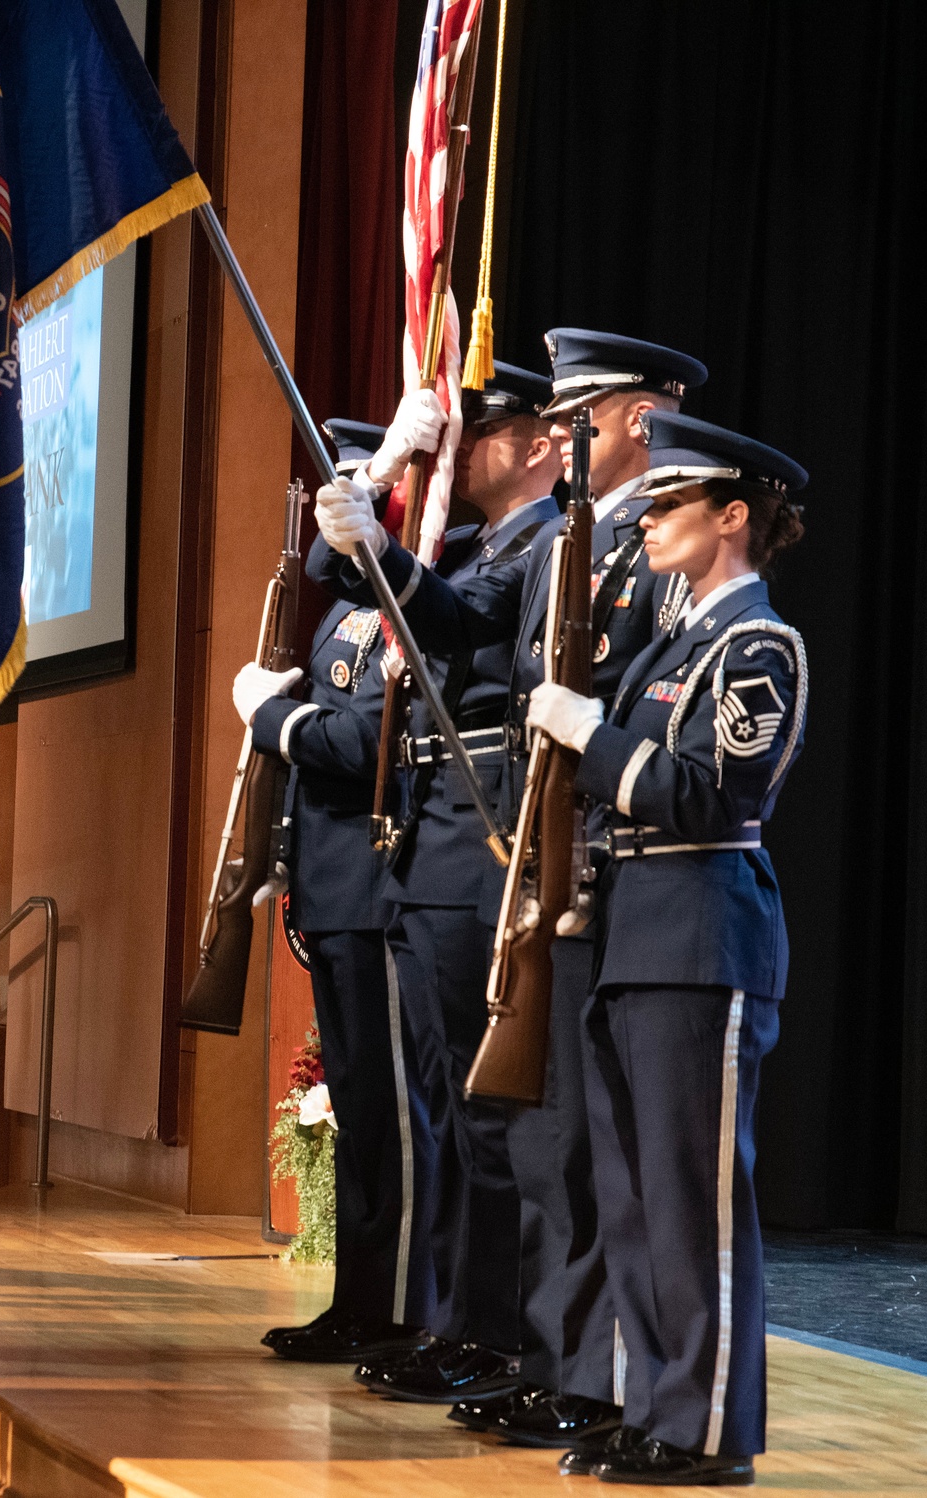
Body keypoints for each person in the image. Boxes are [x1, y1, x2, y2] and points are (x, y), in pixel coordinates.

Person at [312, 331, 709, 1448]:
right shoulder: (566, 543)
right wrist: (371, 551)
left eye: (585, 417)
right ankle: (544, 1355)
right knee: (534, 1141)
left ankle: (582, 1368)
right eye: (563, 420)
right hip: (550, 858)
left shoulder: (647, 548)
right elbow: (466, 623)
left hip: (599, 860)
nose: (565, 435)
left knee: (574, 1148)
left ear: (641, 416)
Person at [525, 409, 807, 1485]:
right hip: (633, 934)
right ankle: (653, 1407)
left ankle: (705, 1433)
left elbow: (708, 788)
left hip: (701, 934)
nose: (646, 522)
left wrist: (588, 738)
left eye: (669, 505)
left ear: (731, 517)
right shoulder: (675, 642)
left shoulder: (757, 646)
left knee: (695, 1205)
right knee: (636, 1198)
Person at [319, 364, 564, 1405]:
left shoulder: (548, 545)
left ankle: (502, 1333)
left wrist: (375, 533)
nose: (462, 447)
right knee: (451, 1104)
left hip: (485, 834)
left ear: (543, 446)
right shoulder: (482, 543)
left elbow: (451, 619)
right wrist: (375, 485)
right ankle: (462, 1320)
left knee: (488, 1103)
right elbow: (366, 591)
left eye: (486, 430)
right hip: (431, 835)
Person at [233, 419, 436, 1363]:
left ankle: (395, 1309)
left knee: (392, 1118)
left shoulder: (413, 596)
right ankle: (360, 1302)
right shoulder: (350, 603)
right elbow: (324, 557)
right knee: (360, 1113)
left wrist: (272, 714)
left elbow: (365, 745)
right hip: (329, 884)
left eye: (366, 479)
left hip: (375, 881)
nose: (340, 499)